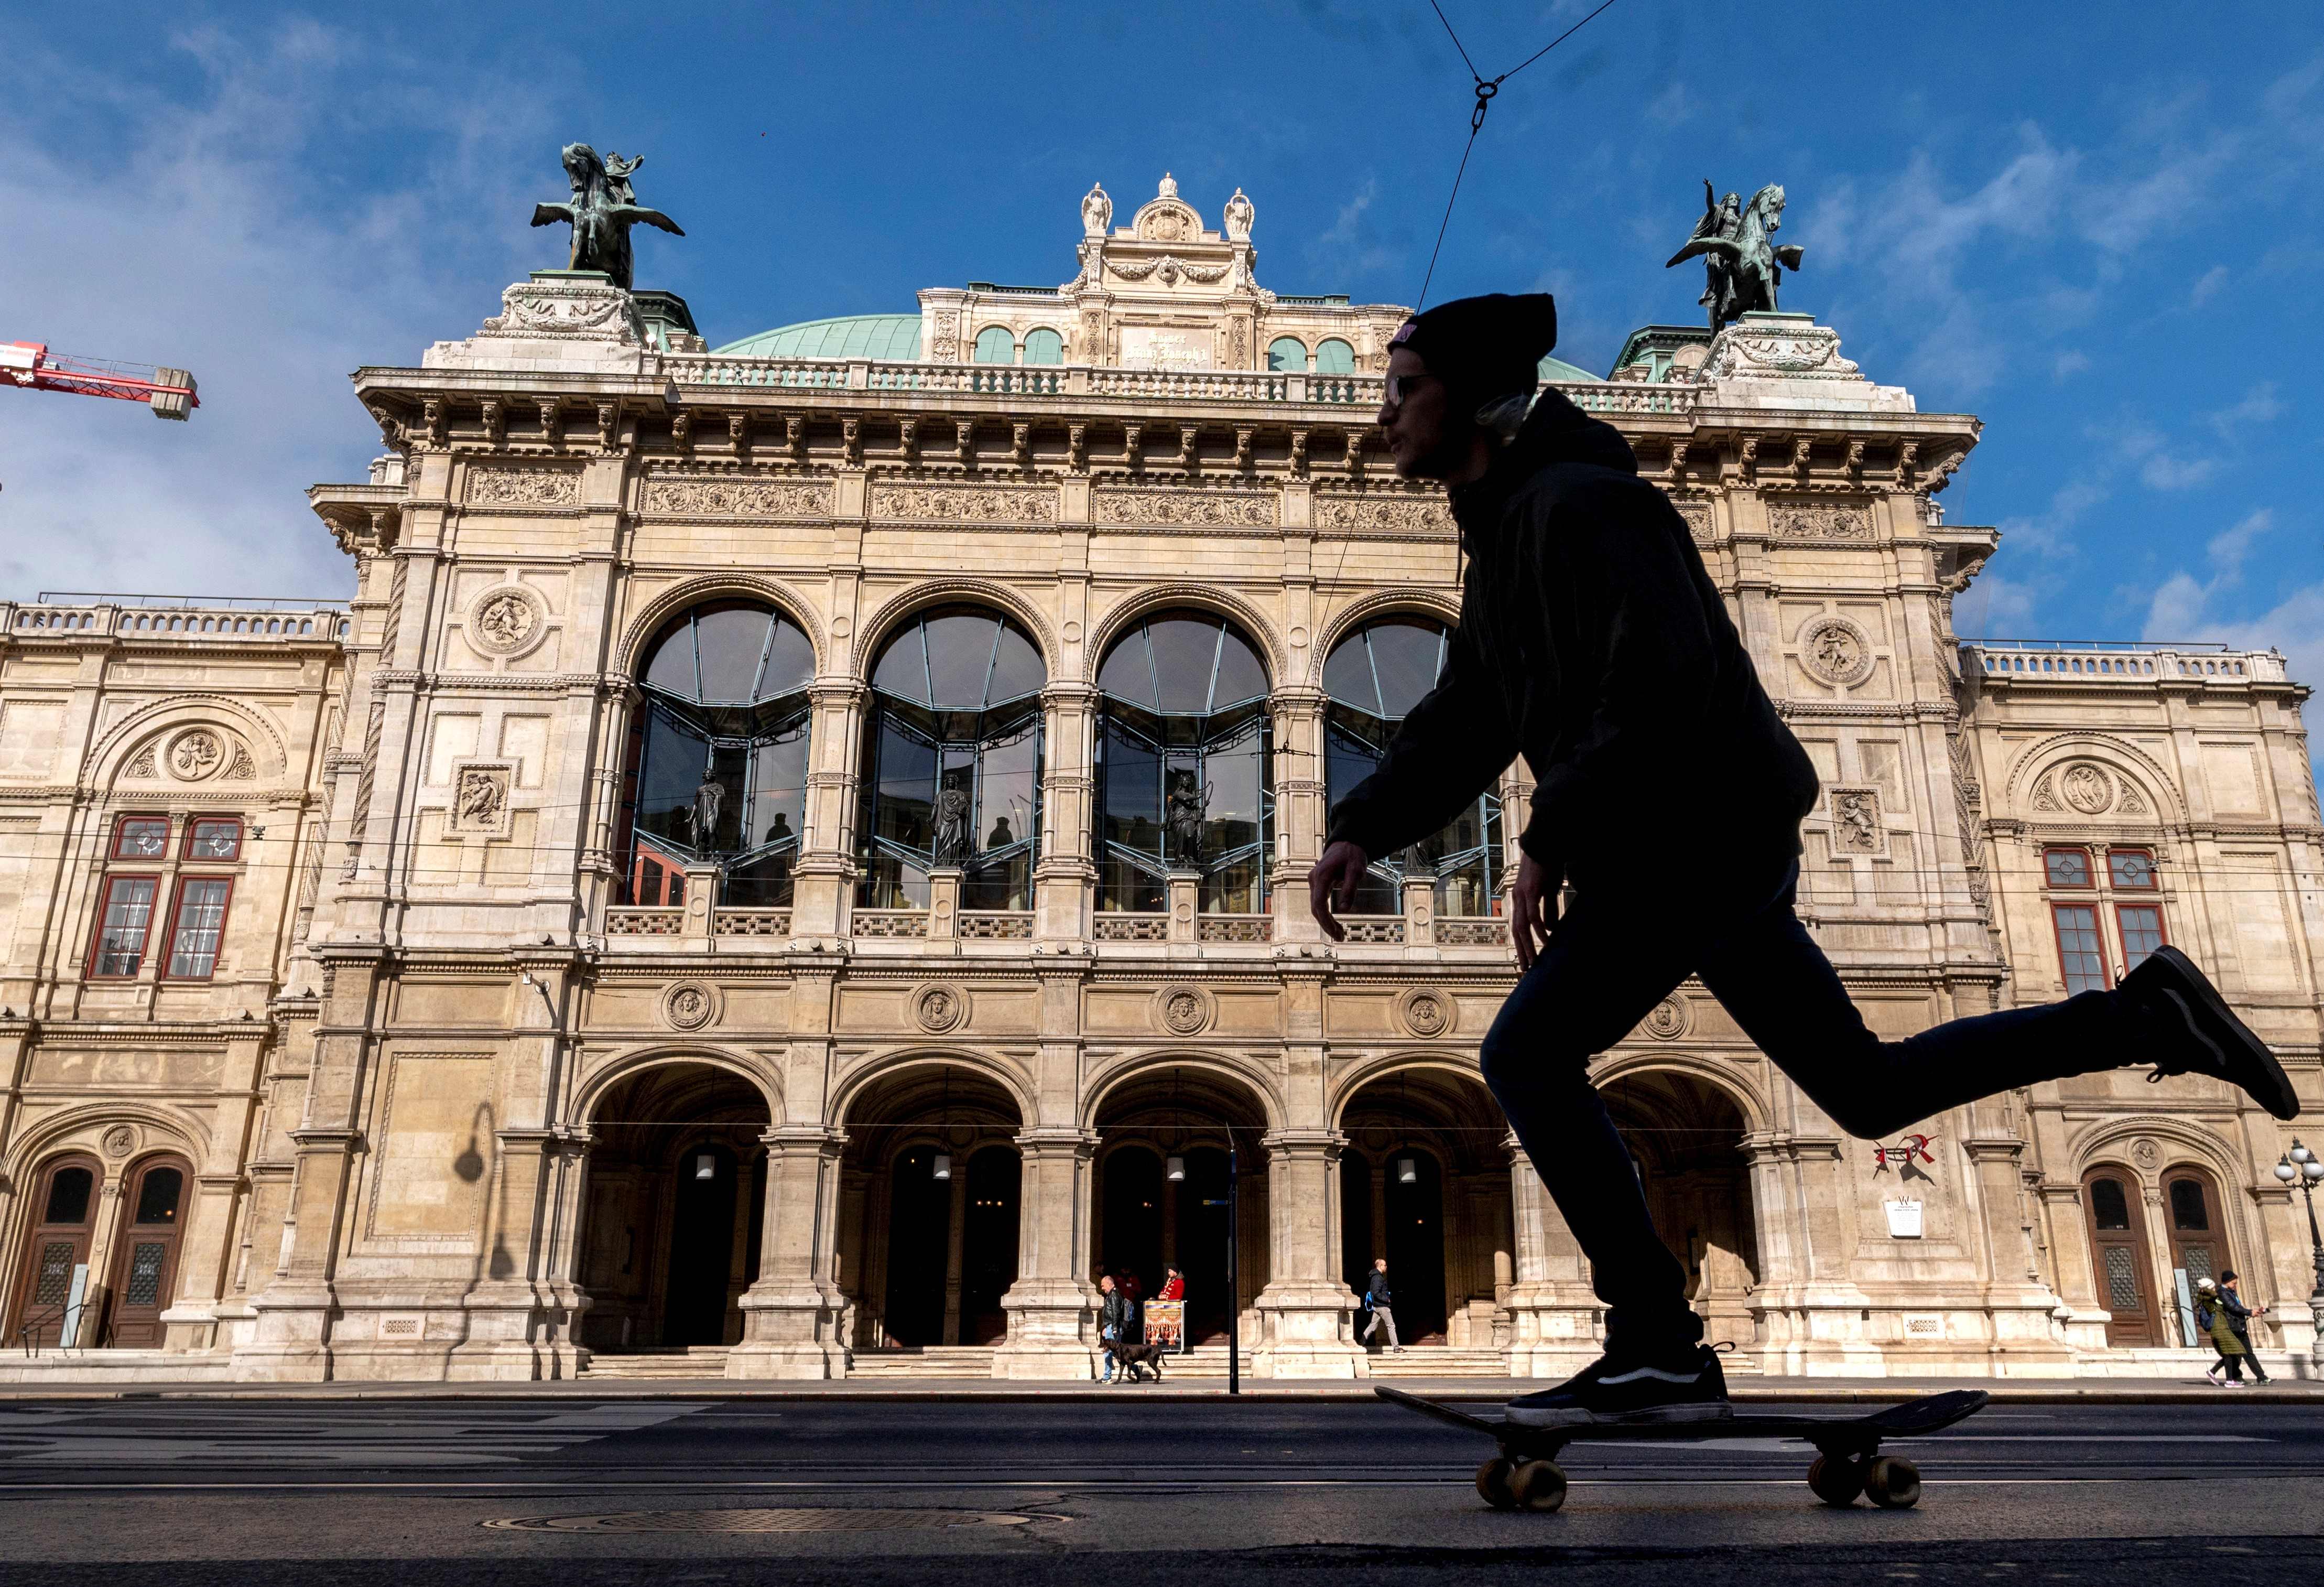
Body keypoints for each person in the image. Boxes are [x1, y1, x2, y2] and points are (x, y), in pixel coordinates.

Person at [1308, 291, 2303, 1430]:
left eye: (1404, 391)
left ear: (1473, 403)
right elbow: (1471, 714)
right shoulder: (1506, 535)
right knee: (1866, 1089)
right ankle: (2140, 1017)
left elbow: (1660, 685)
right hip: (1693, 844)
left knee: (1527, 1054)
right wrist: (1363, 825)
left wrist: (1547, 836)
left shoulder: (1586, 506)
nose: (1383, 416)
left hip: (1693, 831)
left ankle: (1656, 1341)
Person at [2216, 1270, 2271, 1384]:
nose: (2235, 1285)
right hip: (2233, 1327)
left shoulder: (2230, 1292)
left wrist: (2253, 1312)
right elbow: (2233, 1307)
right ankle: (2238, 1378)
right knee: (2237, 1354)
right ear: (2227, 1281)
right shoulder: (2223, 1293)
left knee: (2246, 1353)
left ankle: (2261, 1377)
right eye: (2234, 1283)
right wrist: (2249, 1312)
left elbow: (2238, 1307)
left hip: (2239, 1325)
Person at [2195, 1278, 2251, 1385]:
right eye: (2213, 1287)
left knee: (2231, 1353)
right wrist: (2207, 1289)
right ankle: (2229, 1380)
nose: (2216, 1289)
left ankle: (2214, 1372)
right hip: (2219, 1329)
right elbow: (2213, 1297)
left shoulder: (2211, 1298)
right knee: (2231, 1352)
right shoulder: (2208, 1298)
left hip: (2222, 1328)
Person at [1360, 1258, 1401, 1352]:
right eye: (1385, 1265)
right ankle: (1396, 1348)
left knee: (1373, 1325)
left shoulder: (1377, 1276)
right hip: (1382, 1306)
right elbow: (1376, 1292)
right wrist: (1386, 1299)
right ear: (1381, 1266)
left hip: (1377, 1306)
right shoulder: (1378, 1277)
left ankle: (1362, 1342)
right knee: (1391, 1325)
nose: (1386, 1267)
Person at [1096, 1273, 1130, 1384]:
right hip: (1111, 1326)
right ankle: (1136, 1369)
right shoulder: (1112, 1294)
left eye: (1103, 1285)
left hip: (1113, 1327)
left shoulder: (1114, 1294)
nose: (1102, 1288)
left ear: (1109, 1284)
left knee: (1108, 1352)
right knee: (1118, 1353)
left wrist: (1114, 1328)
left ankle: (1107, 1377)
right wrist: (1106, 1326)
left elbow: (1116, 1312)